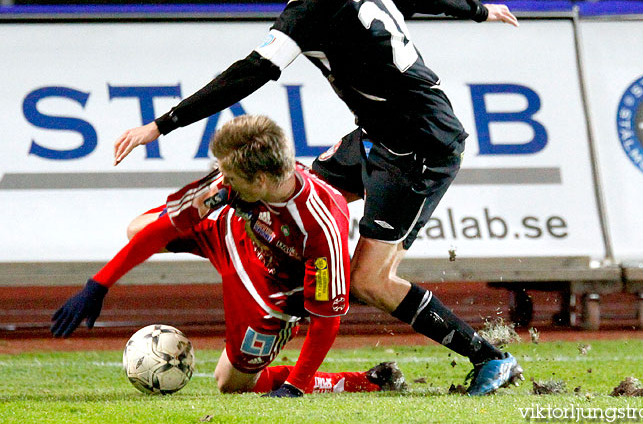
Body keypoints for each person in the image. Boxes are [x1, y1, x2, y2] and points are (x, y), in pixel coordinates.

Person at [113, 0, 523, 395]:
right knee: (288, 191)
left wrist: (160, 124)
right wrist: (478, 8)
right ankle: (282, 299)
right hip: (377, 135)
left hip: (419, 145)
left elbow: (250, 72)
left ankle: (491, 358)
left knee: (371, 281)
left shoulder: (312, 7)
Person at [52, 115, 406, 397]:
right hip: (232, 234)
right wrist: (98, 284)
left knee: (230, 383)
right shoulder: (235, 180)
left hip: (271, 291)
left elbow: (326, 321)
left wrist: (296, 386)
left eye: (232, 178)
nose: (224, 182)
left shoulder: (320, 226)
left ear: (263, 180)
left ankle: (368, 379)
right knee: (138, 229)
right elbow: (163, 228)